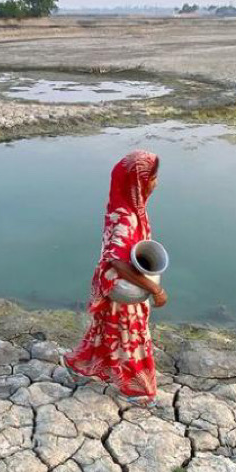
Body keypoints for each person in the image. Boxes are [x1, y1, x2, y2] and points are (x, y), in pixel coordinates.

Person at [62, 150, 167, 406]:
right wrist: (154, 290)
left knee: (105, 331)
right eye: (152, 178)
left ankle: (79, 365)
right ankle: (137, 389)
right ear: (137, 181)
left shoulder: (130, 207)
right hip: (121, 287)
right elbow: (118, 262)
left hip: (117, 284)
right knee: (131, 336)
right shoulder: (125, 216)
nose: (156, 183)